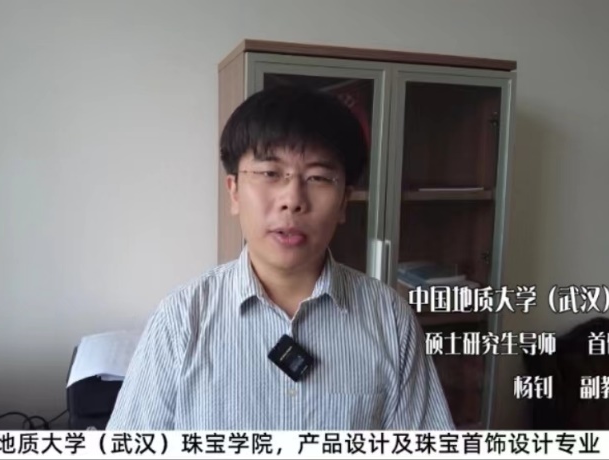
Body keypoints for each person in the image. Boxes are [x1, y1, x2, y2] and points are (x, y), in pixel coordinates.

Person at [106, 85, 455, 431]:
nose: (292, 199)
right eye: (270, 174)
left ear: (344, 202)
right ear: (234, 192)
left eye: (318, 177)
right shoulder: (182, 318)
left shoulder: (389, 318)